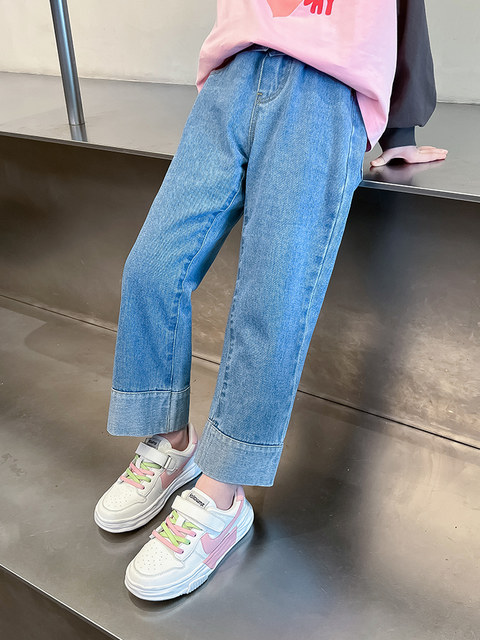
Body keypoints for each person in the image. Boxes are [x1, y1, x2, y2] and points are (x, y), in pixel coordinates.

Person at [94, 0, 447, 601]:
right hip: (231, 78)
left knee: (272, 301)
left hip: (325, 89)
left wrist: (402, 129)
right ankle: (172, 443)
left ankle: (222, 495)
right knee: (152, 268)